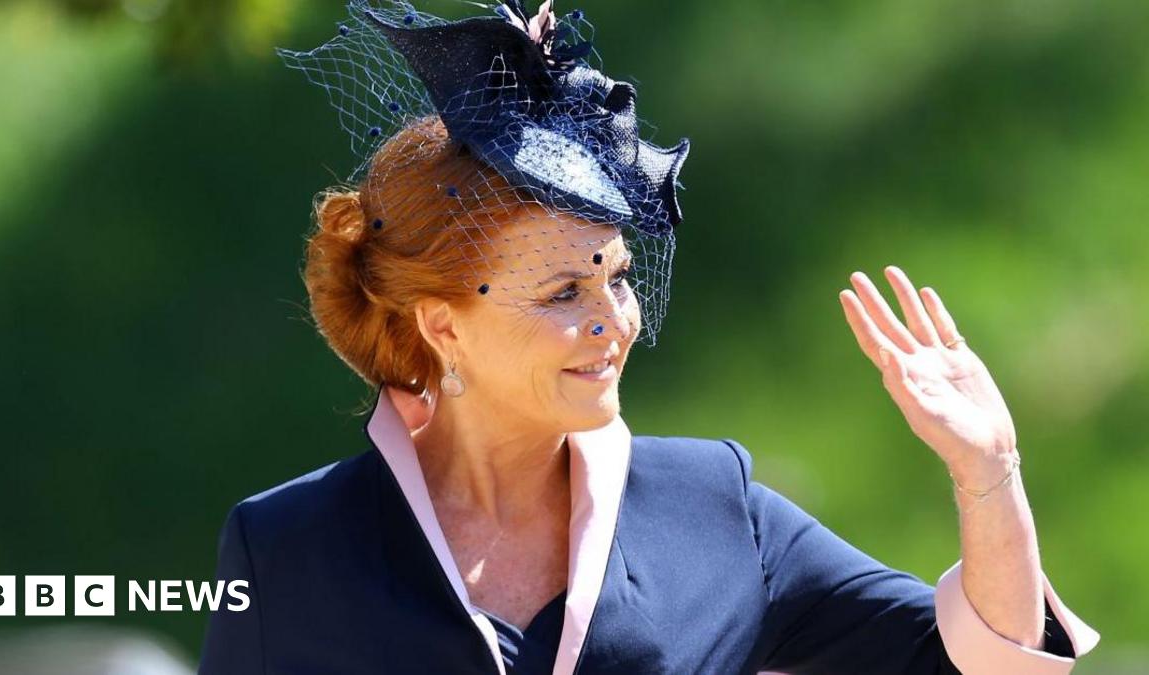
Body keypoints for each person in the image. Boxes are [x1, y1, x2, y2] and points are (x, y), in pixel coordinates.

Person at [198, 2, 1100, 673]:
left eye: (619, 277)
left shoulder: (715, 507)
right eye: (563, 291)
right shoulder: (284, 549)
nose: (614, 321)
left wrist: (989, 472)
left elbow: (985, 662)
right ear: (442, 325)